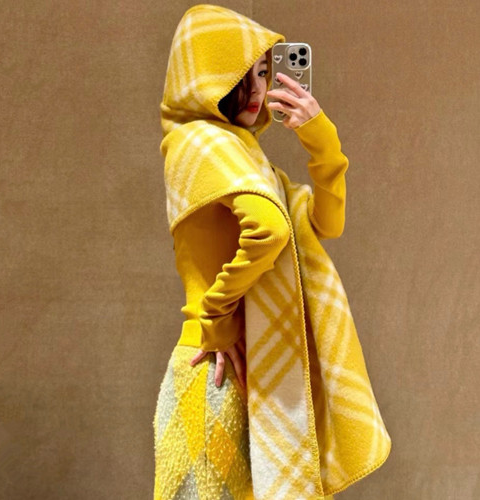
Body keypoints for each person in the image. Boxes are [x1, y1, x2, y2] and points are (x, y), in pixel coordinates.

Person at [153, 5, 390, 500]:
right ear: (207, 74)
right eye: (242, 73)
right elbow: (269, 228)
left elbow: (325, 223)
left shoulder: (246, 156)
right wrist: (217, 318)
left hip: (252, 366)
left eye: (264, 72)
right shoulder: (197, 141)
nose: (258, 88)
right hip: (214, 364)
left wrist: (320, 138)